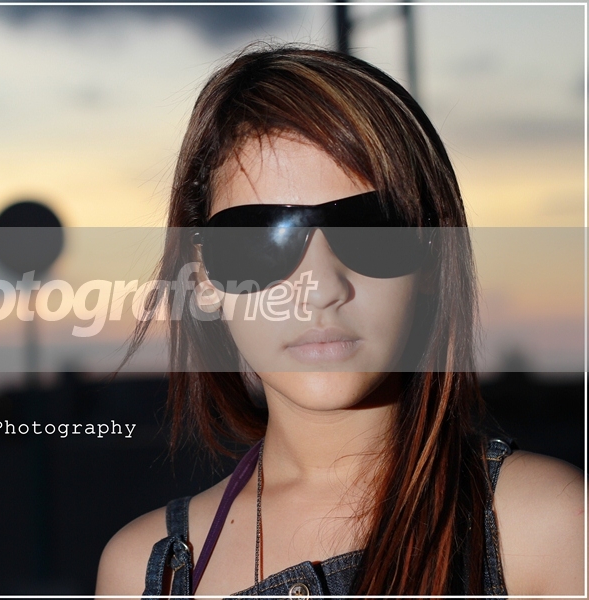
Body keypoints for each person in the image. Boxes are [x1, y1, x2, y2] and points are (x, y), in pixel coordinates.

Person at [94, 44, 584, 597]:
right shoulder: (143, 573)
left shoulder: (548, 528)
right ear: (203, 277)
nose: (323, 287)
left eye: (370, 231)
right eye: (261, 239)